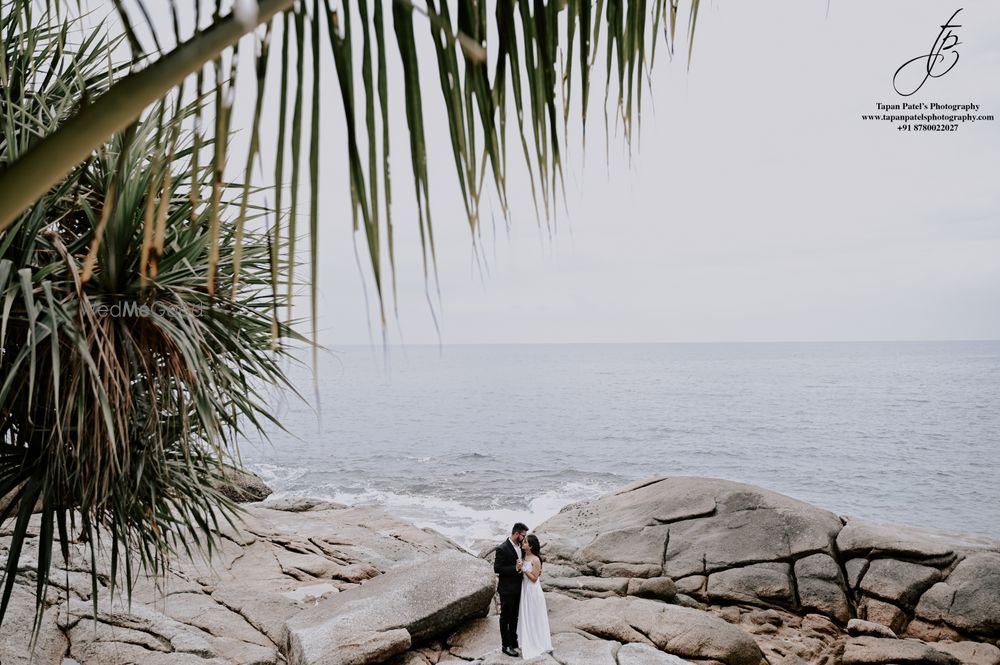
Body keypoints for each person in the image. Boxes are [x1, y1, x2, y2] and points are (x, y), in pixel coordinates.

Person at [494, 522, 528, 657]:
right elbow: (497, 568)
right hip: (507, 589)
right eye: (523, 535)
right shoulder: (502, 548)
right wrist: (515, 568)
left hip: (518, 588)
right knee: (505, 617)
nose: (524, 538)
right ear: (516, 533)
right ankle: (505, 645)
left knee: (515, 616)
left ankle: (513, 641)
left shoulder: (520, 546)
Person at [516, 534, 553, 659]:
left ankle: (536, 642)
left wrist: (523, 570)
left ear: (530, 546)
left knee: (533, 615)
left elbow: (534, 578)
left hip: (532, 590)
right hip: (524, 589)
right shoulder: (524, 556)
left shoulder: (536, 560)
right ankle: (526, 639)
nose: (523, 543)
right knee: (526, 615)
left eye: (525, 542)